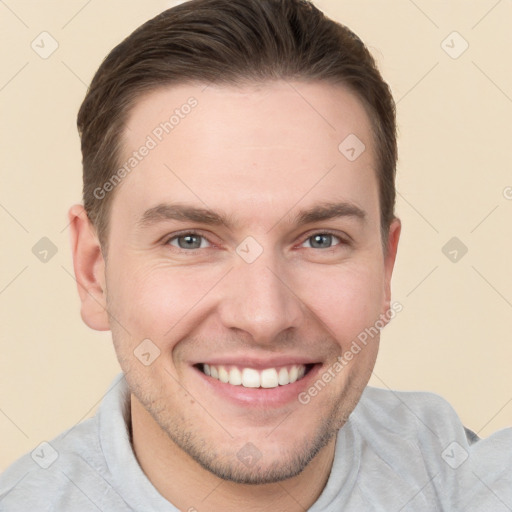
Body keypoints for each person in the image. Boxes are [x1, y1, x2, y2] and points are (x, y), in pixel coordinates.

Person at [1, 0, 510, 510]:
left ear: (384, 268)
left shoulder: (465, 478)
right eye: (190, 240)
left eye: (321, 239)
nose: (263, 316)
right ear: (94, 273)